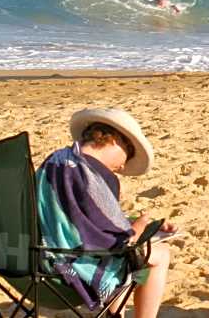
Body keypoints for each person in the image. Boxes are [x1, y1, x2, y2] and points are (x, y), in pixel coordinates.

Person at [36, 108, 174, 318]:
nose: (122, 166)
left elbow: (83, 219)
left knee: (132, 255)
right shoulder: (95, 176)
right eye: (128, 155)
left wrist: (134, 224)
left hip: (33, 259)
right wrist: (143, 224)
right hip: (71, 268)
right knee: (157, 255)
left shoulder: (55, 161)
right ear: (115, 140)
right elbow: (120, 240)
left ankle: (114, 313)